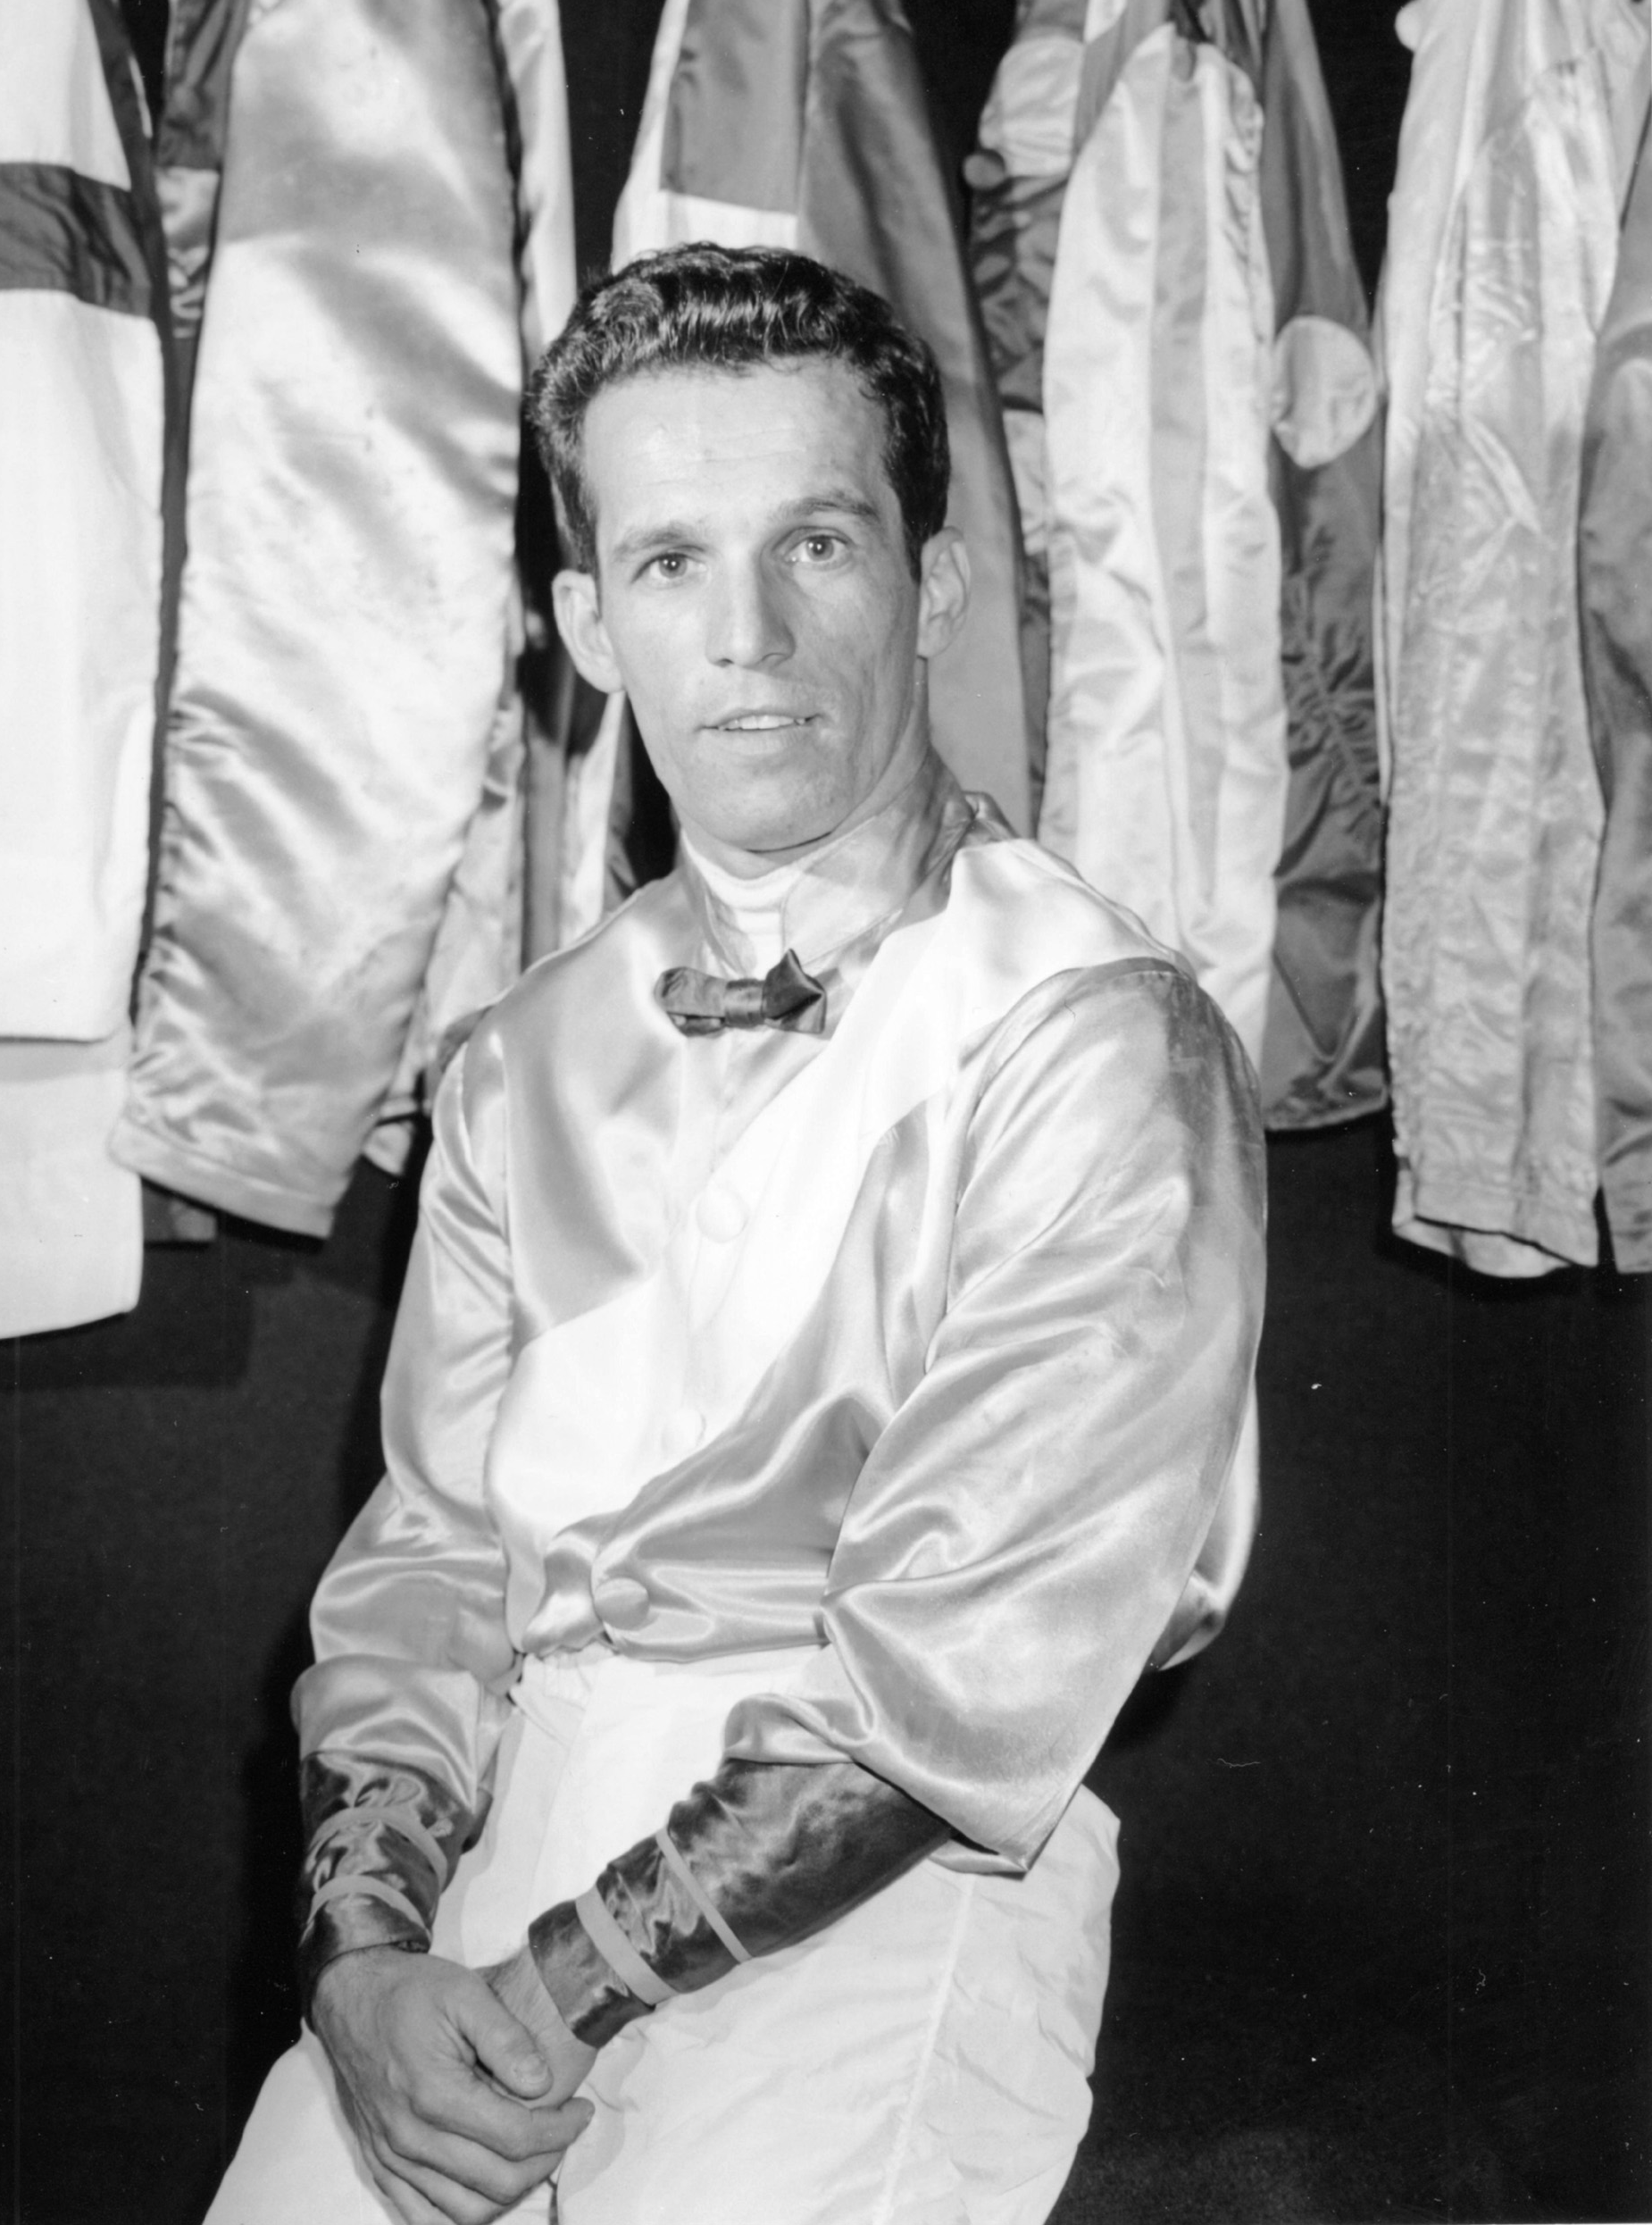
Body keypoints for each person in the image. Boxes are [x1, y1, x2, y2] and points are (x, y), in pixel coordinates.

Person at [204, 244, 1264, 2225]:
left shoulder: (1098, 1035)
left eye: (820, 543)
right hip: (513, 1842)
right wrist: (361, 1967)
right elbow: (428, 1553)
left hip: (898, 1886)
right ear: (590, 624)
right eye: (675, 561)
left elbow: (957, 1679)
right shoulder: (522, 1052)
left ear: (934, 587)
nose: (752, 632)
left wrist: (547, 1995)